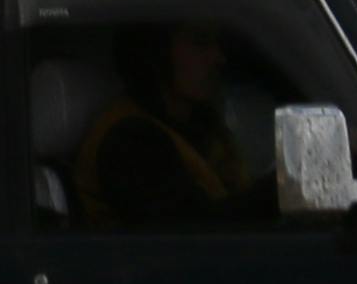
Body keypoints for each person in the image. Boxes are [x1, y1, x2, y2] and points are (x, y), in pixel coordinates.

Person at [75, 21, 260, 229]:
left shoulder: (202, 126)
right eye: (200, 43)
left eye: (217, 44)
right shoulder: (129, 141)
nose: (218, 58)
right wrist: (275, 194)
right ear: (157, 52)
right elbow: (193, 233)